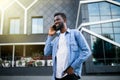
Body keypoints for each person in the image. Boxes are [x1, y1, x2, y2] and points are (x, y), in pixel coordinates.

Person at [44, 12, 91, 80]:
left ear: (65, 20)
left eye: (58, 19)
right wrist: (50, 36)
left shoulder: (75, 33)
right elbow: (46, 52)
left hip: (70, 75)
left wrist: (72, 67)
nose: (55, 22)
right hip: (56, 77)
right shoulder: (56, 39)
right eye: (54, 21)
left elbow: (87, 51)